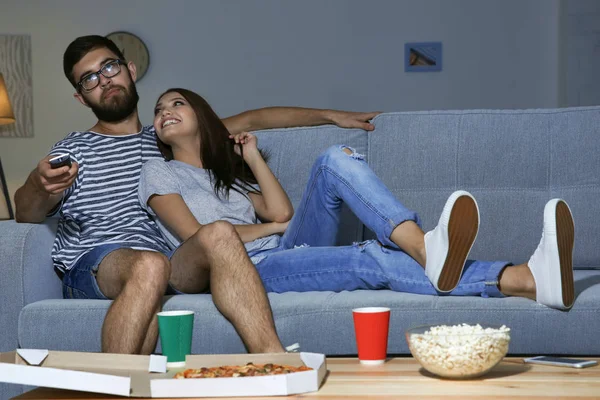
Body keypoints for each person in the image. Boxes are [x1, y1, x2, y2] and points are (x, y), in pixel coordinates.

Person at [13, 35, 380, 355]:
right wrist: (37, 184)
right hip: (96, 262)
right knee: (148, 265)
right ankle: (114, 385)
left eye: (109, 67)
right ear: (81, 97)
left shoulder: (164, 137)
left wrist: (332, 116)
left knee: (173, 256)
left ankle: (275, 363)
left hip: (169, 263)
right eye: (89, 79)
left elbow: (255, 119)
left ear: (130, 69)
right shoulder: (76, 148)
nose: (103, 80)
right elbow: (27, 213)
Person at [139, 87, 576, 314]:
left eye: (177, 103)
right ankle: (522, 279)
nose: (164, 112)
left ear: (203, 116)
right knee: (367, 258)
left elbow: (283, 213)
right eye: (158, 111)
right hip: (248, 270)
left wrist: (252, 155)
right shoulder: (158, 171)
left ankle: (425, 247)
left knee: (334, 159)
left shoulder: (225, 179)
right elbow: (199, 238)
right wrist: (272, 230)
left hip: (282, 247)